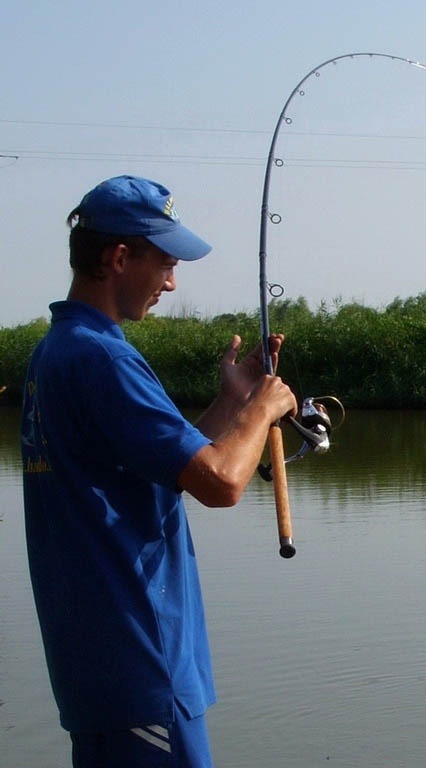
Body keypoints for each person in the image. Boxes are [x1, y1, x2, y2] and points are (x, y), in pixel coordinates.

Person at [20, 175, 297, 768]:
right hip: (142, 664)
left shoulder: (59, 351)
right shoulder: (105, 358)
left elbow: (174, 464)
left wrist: (233, 401)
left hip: (98, 670)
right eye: (166, 263)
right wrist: (264, 408)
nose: (171, 283)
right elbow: (221, 482)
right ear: (120, 258)